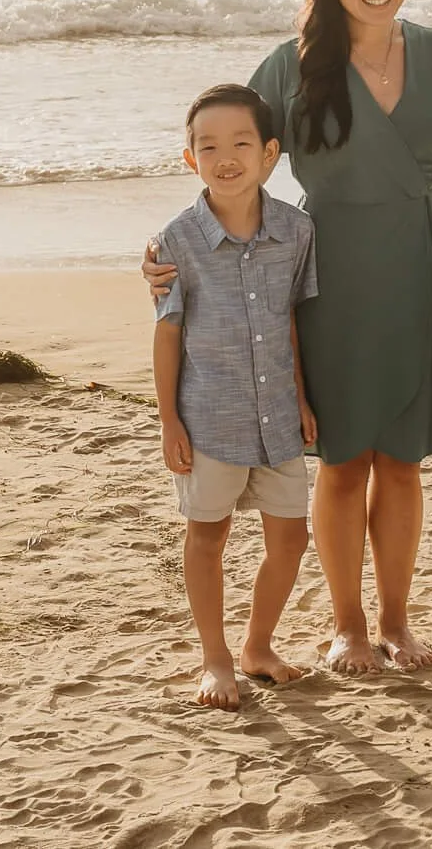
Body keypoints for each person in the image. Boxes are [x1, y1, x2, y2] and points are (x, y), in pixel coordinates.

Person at [145, 0, 432, 674]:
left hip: (416, 267)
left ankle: (397, 622)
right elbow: (231, 159)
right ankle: (348, 626)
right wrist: (168, 247)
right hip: (325, 275)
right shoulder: (292, 64)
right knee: (342, 459)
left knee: (402, 459)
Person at [152, 83, 320, 710]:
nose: (226, 156)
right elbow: (167, 335)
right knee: (207, 536)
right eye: (209, 145)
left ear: (269, 153)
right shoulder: (175, 241)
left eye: (241, 143)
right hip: (209, 417)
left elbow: (295, 323)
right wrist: (169, 419)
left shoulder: (297, 231)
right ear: (190, 157)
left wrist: (302, 397)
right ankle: (215, 660)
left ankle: (258, 645)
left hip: (278, 416)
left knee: (290, 538)